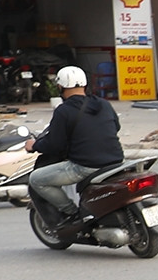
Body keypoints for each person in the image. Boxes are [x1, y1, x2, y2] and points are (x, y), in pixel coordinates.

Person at [26, 66, 122, 219]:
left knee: (36, 179)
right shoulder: (104, 104)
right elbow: (116, 127)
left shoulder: (63, 111)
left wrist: (35, 145)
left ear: (60, 87)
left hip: (85, 166)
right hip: (116, 160)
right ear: (85, 84)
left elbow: (54, 145)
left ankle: (72, 213)